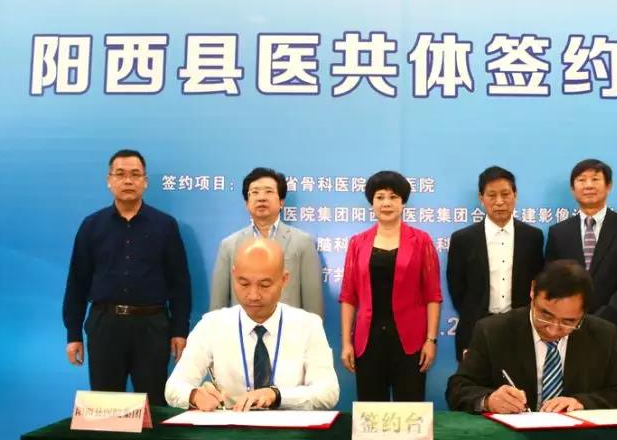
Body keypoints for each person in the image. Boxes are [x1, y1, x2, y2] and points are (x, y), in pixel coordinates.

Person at [63, 149, 192, 406]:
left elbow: (179, 283)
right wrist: (73, 334)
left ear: (145, 181)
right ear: (109, 180)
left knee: (154, 402)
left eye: (135, 174)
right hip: (105, 324)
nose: (128, 181)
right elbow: (77, 282)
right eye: (120, 174)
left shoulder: (165, 225)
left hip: (152, 325)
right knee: (106, 404)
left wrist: (179, 330)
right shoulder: (92, 225)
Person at [166, 238, 338, 411]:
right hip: (232, 426)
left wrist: (277, 395)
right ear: (233, 275)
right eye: (244, 283)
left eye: (265, 285)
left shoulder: (308, 325)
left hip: (289, 426)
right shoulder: (211, 325)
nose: (253, 295)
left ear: (284, 280)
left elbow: (328, 392)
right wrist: (194, 395)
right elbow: (174, 386)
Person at [446, 260, 617, 413]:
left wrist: (581, 402)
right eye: (545, 315)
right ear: (533, 291)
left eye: (568, 322)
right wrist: (488, 400)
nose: (553, 330)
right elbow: (457, 389)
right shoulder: (493, 331)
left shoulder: (602, 334)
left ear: (584, 313)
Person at [339, 170, 442, 402]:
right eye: (380, 197)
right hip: (368, 340)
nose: (386, 203)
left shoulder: (421, 241)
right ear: (372, 203)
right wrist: (346, 343)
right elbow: (348, 297)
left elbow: (433, 295)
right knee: (371, 411)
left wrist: (430, 340)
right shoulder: (357, 243)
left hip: (410, 341)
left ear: (403, 202)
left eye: (393, 197)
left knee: (410, 409)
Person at [545, 158, 617, 383]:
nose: (588, 185)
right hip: (568, 333)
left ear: (609, 186)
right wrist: (572, 319)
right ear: (573, 189)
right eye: (582, 180)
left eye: (595, 179)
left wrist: (602, 319)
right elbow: (552, 282)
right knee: (572, 400)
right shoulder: (558, 232)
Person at [447, 165, 544, 362]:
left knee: (521, 380)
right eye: (492, 195)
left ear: (515, 195)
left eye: (505, 194)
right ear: (481, 198)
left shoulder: (533, 237)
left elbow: (538, 282)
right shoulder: (463, 239)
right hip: (476, 328)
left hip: (522, 327)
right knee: (476, 380)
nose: (499, 201)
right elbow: (457, 287)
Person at [209, 167, 323, 318]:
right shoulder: (229, 245)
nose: (261, 198)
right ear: (246, 203)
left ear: (281, 202)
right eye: (255, 192)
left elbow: (313, 307)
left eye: (269, 191)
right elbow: (217, 308)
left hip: (289, 330)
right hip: (241, 330)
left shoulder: (303, 242)